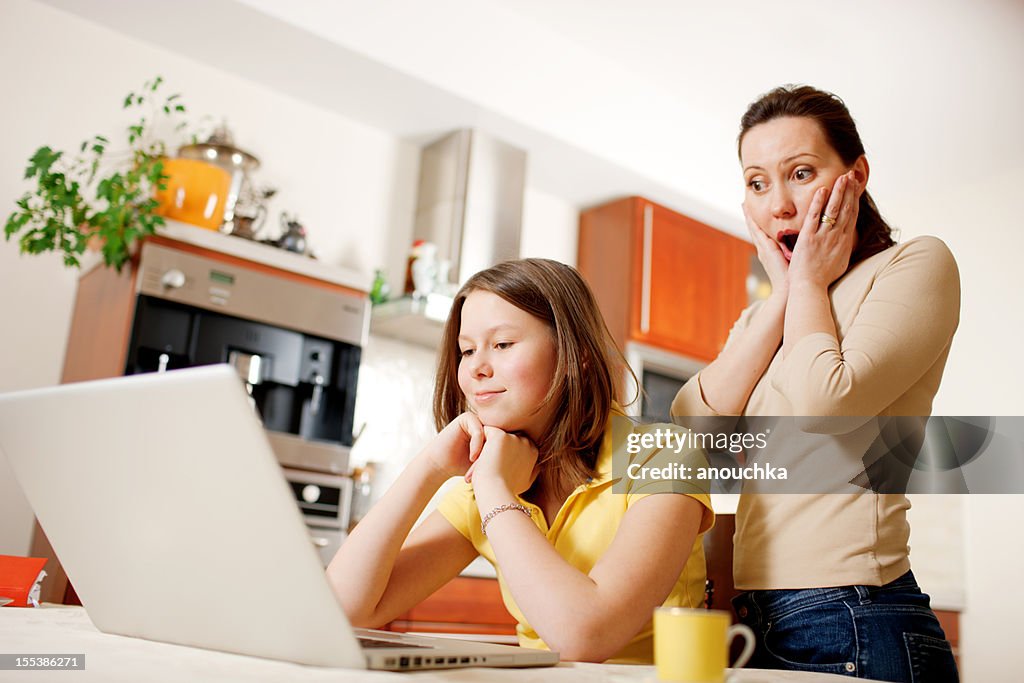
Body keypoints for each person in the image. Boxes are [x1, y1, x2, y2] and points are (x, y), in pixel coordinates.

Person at [672, 85, 961, 682]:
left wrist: (802, 283)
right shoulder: (766, 317)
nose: (778, 204)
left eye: (800, 173)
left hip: (855, 614)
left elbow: (828, 405)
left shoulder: (913, 265)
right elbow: (695, 435)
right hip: (755, 616)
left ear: (856, 175)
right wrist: (784, 293)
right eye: (757, 183)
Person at [327, 258, 715, 663]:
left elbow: (588, 637)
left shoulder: (665, 455)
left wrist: (496, 490)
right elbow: (343, 611)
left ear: (577, 354)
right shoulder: (485, 485)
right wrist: (429, 467)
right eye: (466, 350)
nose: (476, 367)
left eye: (502, 344)